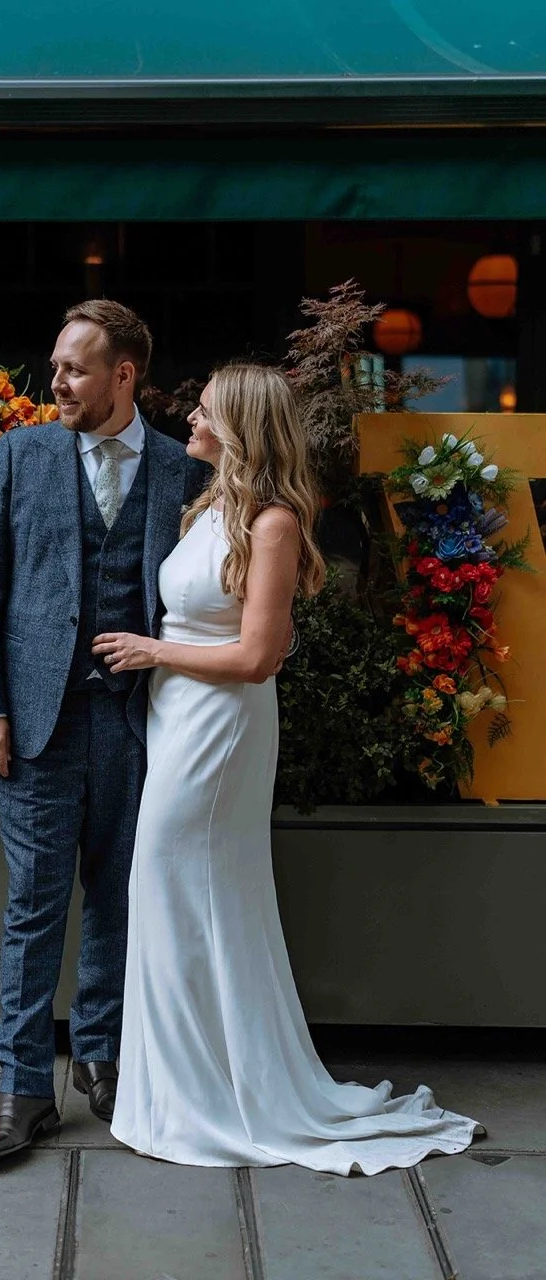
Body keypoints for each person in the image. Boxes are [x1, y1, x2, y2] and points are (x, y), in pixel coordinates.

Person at [94, 363, 484, 1176]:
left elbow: (257, 657)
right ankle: (177, 1092)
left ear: (239, 427)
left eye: (204, 411)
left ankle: (207, 1100)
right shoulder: (210, 505)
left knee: (173, 885)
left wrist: (153, 651)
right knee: (172, 897)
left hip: (218, 726)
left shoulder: (271, 523)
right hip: (176, 716)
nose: (189, 418)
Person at [0, 299, 208, 1164]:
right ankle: (24, 1088)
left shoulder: (179, 469)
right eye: (56, 366)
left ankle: (101, 1056)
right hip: (36, 722)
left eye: (74, 369)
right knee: (35, 903)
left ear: (122, 375)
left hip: (142, 721)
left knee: (119, 896)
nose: (55, 381)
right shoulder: (19, 455)